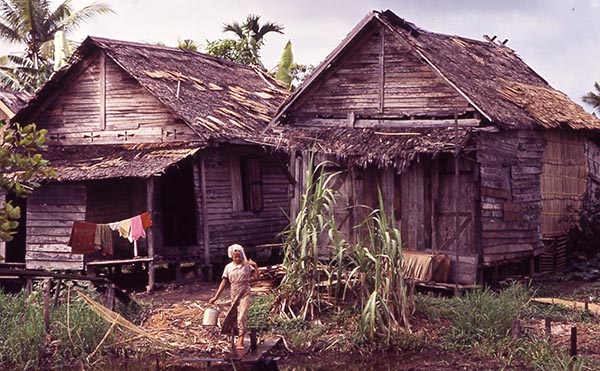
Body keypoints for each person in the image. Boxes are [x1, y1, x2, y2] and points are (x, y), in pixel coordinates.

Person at [209, 243, 259, 350]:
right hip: (234, 292)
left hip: (245, 292)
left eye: (239, 256)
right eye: (235, 257)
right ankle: (232, 337)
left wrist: (255, 266)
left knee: (242, 316)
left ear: (242, 255)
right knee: (234, 315)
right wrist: (216, 297)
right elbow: (224, 282)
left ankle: (240, 341)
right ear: (231, 256)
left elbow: (256, 278)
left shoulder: (246, 266)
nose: (237, 258)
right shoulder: (228, 267)